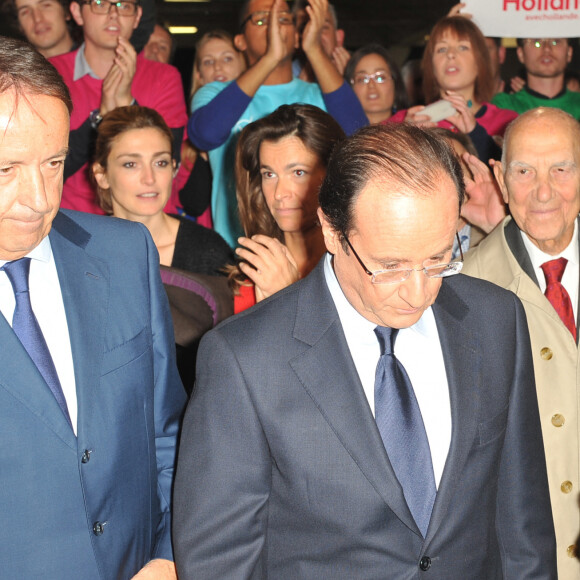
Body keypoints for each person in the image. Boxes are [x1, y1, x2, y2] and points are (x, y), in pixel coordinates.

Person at [173, 122, 556, 578]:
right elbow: (221, 563)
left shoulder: (497, 320)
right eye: (390, 266)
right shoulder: (245, 360)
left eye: (438, 258)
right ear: (333, 232)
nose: (419, 292)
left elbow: (523, 525)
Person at [0, 37, 185, 579]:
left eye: (53, 162)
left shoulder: (124, 253)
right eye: (4, 170)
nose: (38, 198)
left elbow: (167, 432)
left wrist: (170, 554)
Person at [462, 107, 580, 579]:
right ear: (500, 179)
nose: (544, 191)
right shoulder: (464, 292)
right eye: (524, 171)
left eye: (562, 168)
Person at [188, 0, 367, 247]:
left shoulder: (322, 93)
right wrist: (271, 58)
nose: (274, 27)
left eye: (284, 19)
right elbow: (205, 134)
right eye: (261, 20)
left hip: (312, 251)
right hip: (236, 250)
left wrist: (313, 49)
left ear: (295, 36)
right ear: (239, 41)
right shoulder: (215, 93)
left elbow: (360, 137)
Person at [50, 0, 187, 214]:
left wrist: (128, 105)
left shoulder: (164, 77)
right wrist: (101, 116)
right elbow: (50, 167)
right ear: (77, 12)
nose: (114, 13)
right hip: (74, 222)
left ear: (137, 16)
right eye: (99, 3)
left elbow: (171, 163)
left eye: (124, 5)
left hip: (149, 224)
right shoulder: (50, 73)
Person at [91, 105, 233, 275]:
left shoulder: (209, 253)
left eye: (160, 163)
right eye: (130, 164)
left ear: (173, 168)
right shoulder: (81, 253)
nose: (149, 178)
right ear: (102, 175)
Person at [231, 103, 345, 312]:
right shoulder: (253, 278)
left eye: (298, 173)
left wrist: (287, 296)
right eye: (269, 174)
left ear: (332, 174)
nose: (279, 193)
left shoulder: (360, 270)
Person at [390, 16, 517, 162]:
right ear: (431, 65)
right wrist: (404, 138)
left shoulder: (507, 122)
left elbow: (513, 174)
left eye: (463, 47)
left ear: (480, 61)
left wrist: (475, 134)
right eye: (441, 49)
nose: (450, 54)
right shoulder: (403, 121)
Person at [493, 38, 580, 119]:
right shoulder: (500, 108)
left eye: (555, 42)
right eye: (536, 42)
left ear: (569, 52)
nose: (547, 49)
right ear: (521, 53)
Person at [344, 43, 409, 124]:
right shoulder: (337, 131)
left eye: (380, 78)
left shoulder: (413, 123)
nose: (371, 85)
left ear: (395, 83)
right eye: (362, 79)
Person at [292, 0, 350, 81]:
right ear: (295, 38)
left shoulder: (358, 71)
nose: (315, 34)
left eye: (324, 27)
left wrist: (348, 81)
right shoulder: (287, 76)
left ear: (338, 37)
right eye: (305, 28)